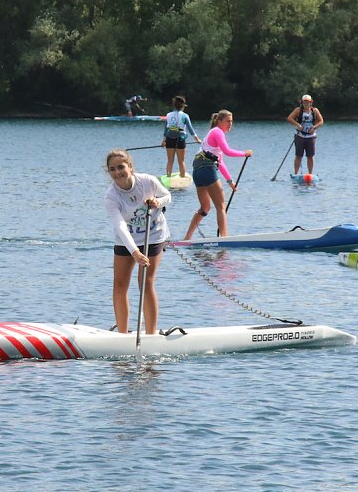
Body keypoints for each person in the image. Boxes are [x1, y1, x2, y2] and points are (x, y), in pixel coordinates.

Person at [104, 149, 171, 335]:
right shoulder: (111, 197)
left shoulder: (147, 181)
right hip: (127, 240)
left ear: (130, 167)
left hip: (154, 235)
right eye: (112, 169)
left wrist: (158, 201)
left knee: (145, 282)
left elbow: (168, 196)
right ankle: (123, 335)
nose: (117, 172)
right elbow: (120, 226)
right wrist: (135, 252)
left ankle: (150, 334)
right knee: (119, 284)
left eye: (121, 167)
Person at [183, 110, 253, 240]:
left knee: (205, 208)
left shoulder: (213, 134)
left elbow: (220, 162)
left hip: (197, 171)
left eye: (231, 121)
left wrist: (230, 181)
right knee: (221, 206)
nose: (230, 124)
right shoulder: (217, 131)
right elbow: (227, 151)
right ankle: (224, 238)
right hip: (206, 168)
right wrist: (244, 153)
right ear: (219, 121)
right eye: (227, 121)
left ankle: (187, 238)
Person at [163, 95, 201, 178]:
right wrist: (197, 139)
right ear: (182, 107)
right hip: (180, 138)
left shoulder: (168, 115)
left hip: (170, 137)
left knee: (170, 160)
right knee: (181, 161)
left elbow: (166, 130)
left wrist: (163, 141)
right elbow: (190, 129)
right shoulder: (185, 116)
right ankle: (182, 177)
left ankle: (168, 176)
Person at [286, 94, 325, 175]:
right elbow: (290, 118)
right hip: (300, 135)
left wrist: (314, 127)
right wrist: (297, 125)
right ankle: (296, 174)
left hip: (311, 136)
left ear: (311, 102)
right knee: (298, 155)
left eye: (308, 102)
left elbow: (321, 121)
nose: (306, 103)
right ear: (302, 102)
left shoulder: (315, 111)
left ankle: (310, 174)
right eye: (304, 102)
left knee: (310, 156)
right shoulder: (298, 110)